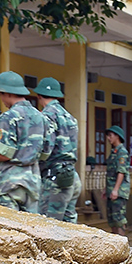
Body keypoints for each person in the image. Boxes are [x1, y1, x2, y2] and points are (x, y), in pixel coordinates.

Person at [0, 71, 51, 213]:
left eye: (1, 94)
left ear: (7, 93)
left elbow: (5, 154)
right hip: (33, 180)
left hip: (10, 182)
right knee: (32, 227)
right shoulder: (41, 117)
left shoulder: (9, 117)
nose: (2, 99)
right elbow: (46, 153)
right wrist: (28, 156)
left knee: (7, 226)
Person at [34, 77, 82, 222]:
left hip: (55, 179)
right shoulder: (70, 117)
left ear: (39, 96)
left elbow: (46, 148)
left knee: (49, 224)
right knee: (69, 224)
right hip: (72, 176)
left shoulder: (47, 115)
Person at [104, 125, 131, 235]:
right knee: (112, 220)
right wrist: (106, 189)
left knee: (119, 220)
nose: (108, 138)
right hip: (112, 191)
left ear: (117, 137)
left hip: (119, 192)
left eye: (110, 135)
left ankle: (122, 245)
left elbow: (121, 172)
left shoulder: (122, 152)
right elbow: (111, 174)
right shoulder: (113, 152)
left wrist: (115, 190)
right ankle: (116, 246)